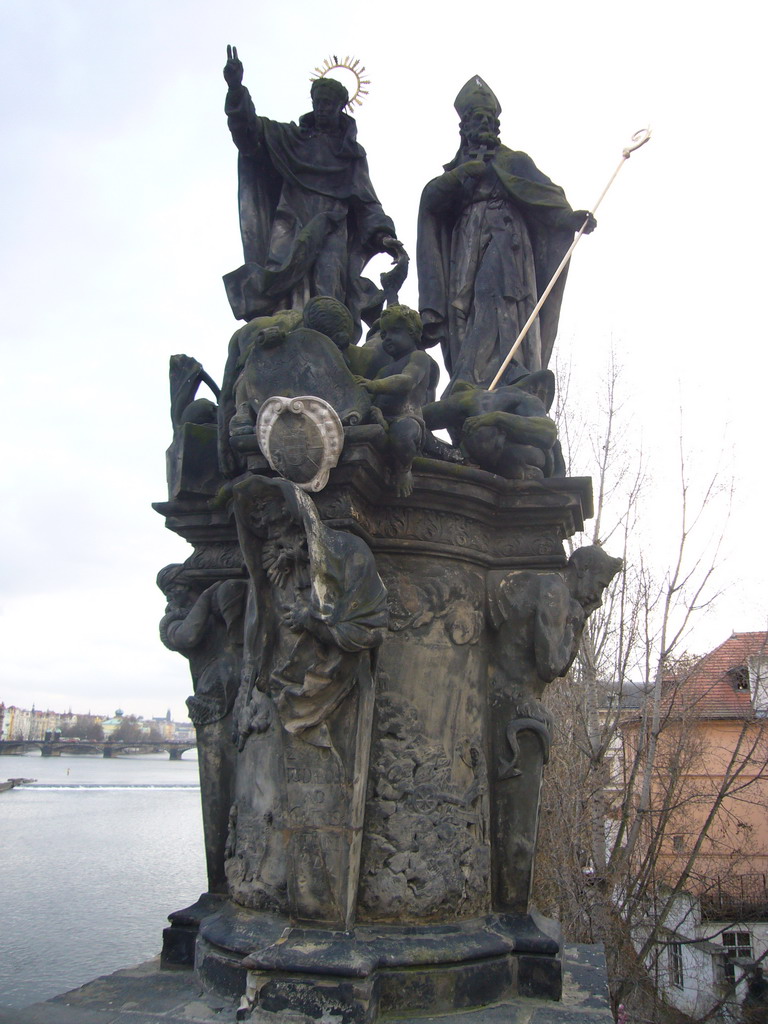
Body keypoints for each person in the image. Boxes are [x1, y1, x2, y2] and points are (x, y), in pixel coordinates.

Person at [417, 76, 595, 393]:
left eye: (489, 119)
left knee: (496, 294)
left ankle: (502, 369)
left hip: (505, 238)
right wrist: (461, 176)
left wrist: (569, 218)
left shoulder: (514, 161)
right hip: (464, 246)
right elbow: (431, 203)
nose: (484, 124)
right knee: (464, 308)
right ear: (464, 127)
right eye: (477, 119)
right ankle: (467, 372)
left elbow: (545, 197)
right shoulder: (454, 171)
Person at [222, 46, 405, 332]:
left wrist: (384, 236)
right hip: (292, 217)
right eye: (318, 102)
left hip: (332, 225)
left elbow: (366, 201)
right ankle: (285, 333)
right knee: (282, 278)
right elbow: (250, 134)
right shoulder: (292, 139)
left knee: (328, 285)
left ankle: (326, 345)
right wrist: (236, 91)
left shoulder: (350, 154)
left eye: (329, 104)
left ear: (340, 107)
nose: (322, 108)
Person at [354, 305, 439, 496]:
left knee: (402, 435)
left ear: (412, 333)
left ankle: (404, 470)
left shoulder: (419, 358)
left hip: (408, 419)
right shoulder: (384, 371)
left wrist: (373, 385)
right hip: (386, 417)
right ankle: (382, 425)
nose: (388, 338)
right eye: (384, 334)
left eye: (395, 331)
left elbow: (407, 381)